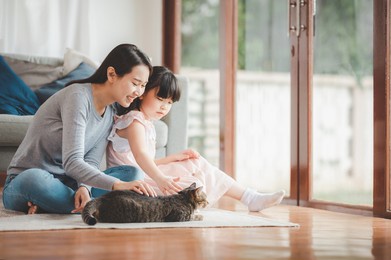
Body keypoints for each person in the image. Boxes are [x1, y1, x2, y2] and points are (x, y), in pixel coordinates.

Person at [2, 43, 158, 215]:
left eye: (143, 85)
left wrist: (84, 187)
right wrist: (117, 185)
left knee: (133, 174)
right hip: (26, 182)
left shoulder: (111, 111)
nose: (139, 92)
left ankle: (61, 204)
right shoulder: (78, 97)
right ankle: (88, 205)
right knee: (35, 179)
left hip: (68, 184)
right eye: (135, 83)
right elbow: (72, 162)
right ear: (112, 74)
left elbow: (91, 161)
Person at [106, 66, 285, 211]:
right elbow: (141, 158)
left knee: (196, 164)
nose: (164, 107)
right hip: (133, 184)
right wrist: (162, 178)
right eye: (160, 98)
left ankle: (250, 197)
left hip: (145, 175)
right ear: (142, 93)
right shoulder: (133, 121)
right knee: (194, 185)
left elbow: (145, 161)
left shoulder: (146, 122)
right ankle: (177, 207)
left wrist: (173, 158)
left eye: (169, 102)